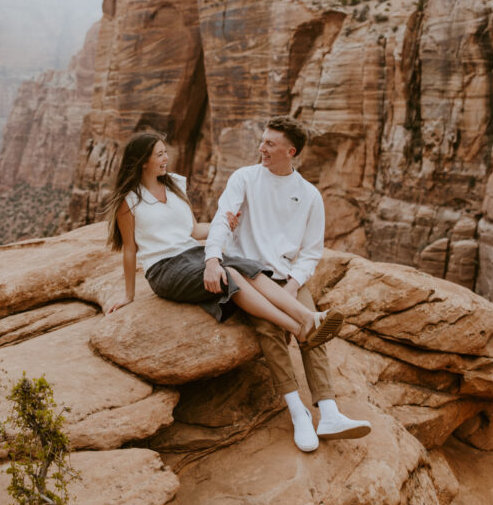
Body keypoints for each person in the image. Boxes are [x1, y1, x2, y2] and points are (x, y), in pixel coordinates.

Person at [204, 115, 371, 453]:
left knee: (315, 334)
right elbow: (223, 219)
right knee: (270, 332)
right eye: (262, 141)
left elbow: (311, 251)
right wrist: (212, 257)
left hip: (288, 280)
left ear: (290, 151)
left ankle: (329, 412)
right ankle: (298, 414)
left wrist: (293, 285)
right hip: (251, 275)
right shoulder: (245, 178)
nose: (261, 148)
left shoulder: (309, 195)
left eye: (270, 143)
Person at [105, 131, 344, 350]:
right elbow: (129, 250)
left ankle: (308, 318)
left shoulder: (175, 184)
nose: (166, 158)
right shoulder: (130, 201)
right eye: (159, 154)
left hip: (193, 255)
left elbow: (195, 230)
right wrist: (129, 296)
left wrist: (225, 225)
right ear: (143, 161)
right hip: (164, 268)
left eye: (165, 152)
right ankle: (299, 328)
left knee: (246, 266)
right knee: (230, 275)